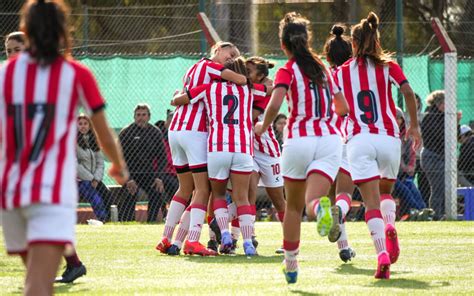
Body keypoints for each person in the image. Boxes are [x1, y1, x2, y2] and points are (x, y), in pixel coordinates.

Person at [0, 1, 128, 295]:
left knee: (35, 277)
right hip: (52, 190)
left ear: (24, 29)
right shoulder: (75, 73)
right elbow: (103, 131)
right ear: (63, 29)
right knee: (38, 285)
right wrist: (117, 165)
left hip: (12, 190)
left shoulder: (5, 74)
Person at [254, 12, 349, 284]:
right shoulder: (324, 68)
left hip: (298, 141)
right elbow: (342, 107)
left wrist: (263, 126)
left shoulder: (287, 70)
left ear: (284, 45)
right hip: (330, 140)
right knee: (313, 201)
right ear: (308, 40)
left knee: (293, 208)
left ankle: (292, 266)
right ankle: (321, 209)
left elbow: (274, 104)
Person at [334, 12, 422, 279]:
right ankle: (391, 225)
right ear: (376, 40)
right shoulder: (389, 66)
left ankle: (382, 254)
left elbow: (340, 109)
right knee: (386, 192)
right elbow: (407, 92)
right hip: (388, 138)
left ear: (354, 43)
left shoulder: (340, 72)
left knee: (370, 201)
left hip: (359, 140)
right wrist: (414, 126)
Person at [156, 42, 246, 256]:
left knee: (185, 189)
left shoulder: (193, 68)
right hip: (195, 132)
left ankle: (167, 239)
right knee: (202, 190)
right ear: (217, 50)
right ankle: (193, 241)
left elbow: (181, 96)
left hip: (176, 129)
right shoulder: (212, 69)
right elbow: (241, 79)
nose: (232, 58)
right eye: (229, 53)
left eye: (235, 56)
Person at [172, 57, 267, 256]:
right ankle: (248, 243)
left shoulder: (209, 88)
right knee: (242, 198)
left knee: (218, 195)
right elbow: (270, 89)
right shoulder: (251, 89)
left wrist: (177, 95)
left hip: (218, 148)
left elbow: (179, 100)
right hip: (242, 148)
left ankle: (224, 235)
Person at [323, 23, 356, 263]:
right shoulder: (358, 74)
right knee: (345, 194)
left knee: (330, 195)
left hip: (324, 138)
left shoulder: (325, 77)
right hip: (350, 137)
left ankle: (344, 247)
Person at [119, 104, 167, 222]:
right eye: (138, 115)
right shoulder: (126, 132)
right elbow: (119, 159)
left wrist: (159, 178)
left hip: (148, 174)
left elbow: (162, 158)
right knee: (129, 192)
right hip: (130, 174)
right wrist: (128, 179)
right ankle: (126, 221)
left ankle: (151, 221)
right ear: (134, 117)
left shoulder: (155, 132)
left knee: (157, 192)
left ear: (149, 117)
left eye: (144, 115)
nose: (141, 117)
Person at [420, 90, 461, 220]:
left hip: (441, 156)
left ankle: (441, 214)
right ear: (439, 104)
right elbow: (439, 137)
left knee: (444, 186)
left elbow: (455, 137)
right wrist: (452, 121)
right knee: (438, 187)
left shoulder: (444, 117)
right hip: (431, 156)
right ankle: (436, 215)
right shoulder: (430, 116)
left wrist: (456, 122)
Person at [76, 114, 113, 222]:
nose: (83, 126)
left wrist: (96, 178)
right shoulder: (73, 143)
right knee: (95, 198)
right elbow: (75, 165)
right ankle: (102, 219)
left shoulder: (94, 142)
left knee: (107, 194)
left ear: (89, 126)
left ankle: (109, 220)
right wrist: (90, 178)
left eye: (85, 124)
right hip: (80, 180)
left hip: (94, 180)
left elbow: (100, 162)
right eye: (80, 124)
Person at [393, 108, 426, 215]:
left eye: (400, 118)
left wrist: (411, 166)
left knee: (412, 187)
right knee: (405, 190)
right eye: (395, 118)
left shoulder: (405, 136)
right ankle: (417, 211)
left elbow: (411, 154)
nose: (398, 121)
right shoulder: (386, 136)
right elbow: (396, 156)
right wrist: (404, 166)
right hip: (389, 175)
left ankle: (424, 210)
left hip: (401, 175)